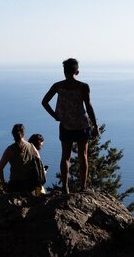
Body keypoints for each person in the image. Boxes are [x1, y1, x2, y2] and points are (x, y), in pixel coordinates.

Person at [41, 58, 98, 194]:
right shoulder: (83, 86)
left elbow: (44, 102)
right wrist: (95, 125)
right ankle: (83, 187)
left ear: (64, 71)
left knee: (65, 157)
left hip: (65, 125)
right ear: (77, 71)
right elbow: (88, 106)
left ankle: (65, 187)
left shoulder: (58, 86)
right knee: (83, 156)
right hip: (82, 125)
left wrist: (55, 116)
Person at [0, 124, 40, 193]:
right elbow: (39, 160)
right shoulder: (31, 146)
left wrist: (3, 184)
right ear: (23, 133)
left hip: (15, 185)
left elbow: (0, 168)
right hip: (29, 185)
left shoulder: (10, 149)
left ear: (13, 134)